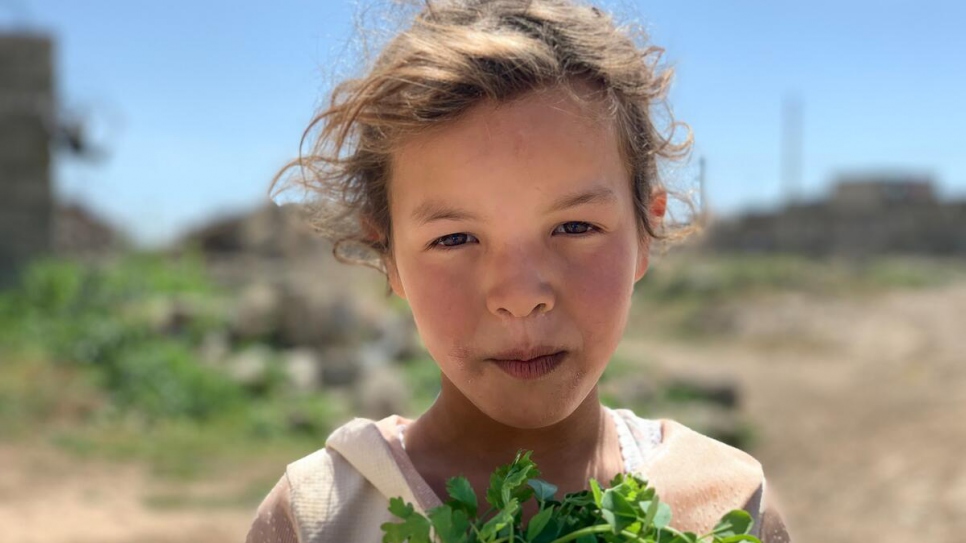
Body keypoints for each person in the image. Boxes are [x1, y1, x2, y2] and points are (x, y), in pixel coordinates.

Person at [247, 1, 792, 541]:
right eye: (455, 238)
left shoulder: (727, 509)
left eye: (575, 227)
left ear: (644, 233)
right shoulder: (320, 517)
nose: (520, 296)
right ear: (388, 257)